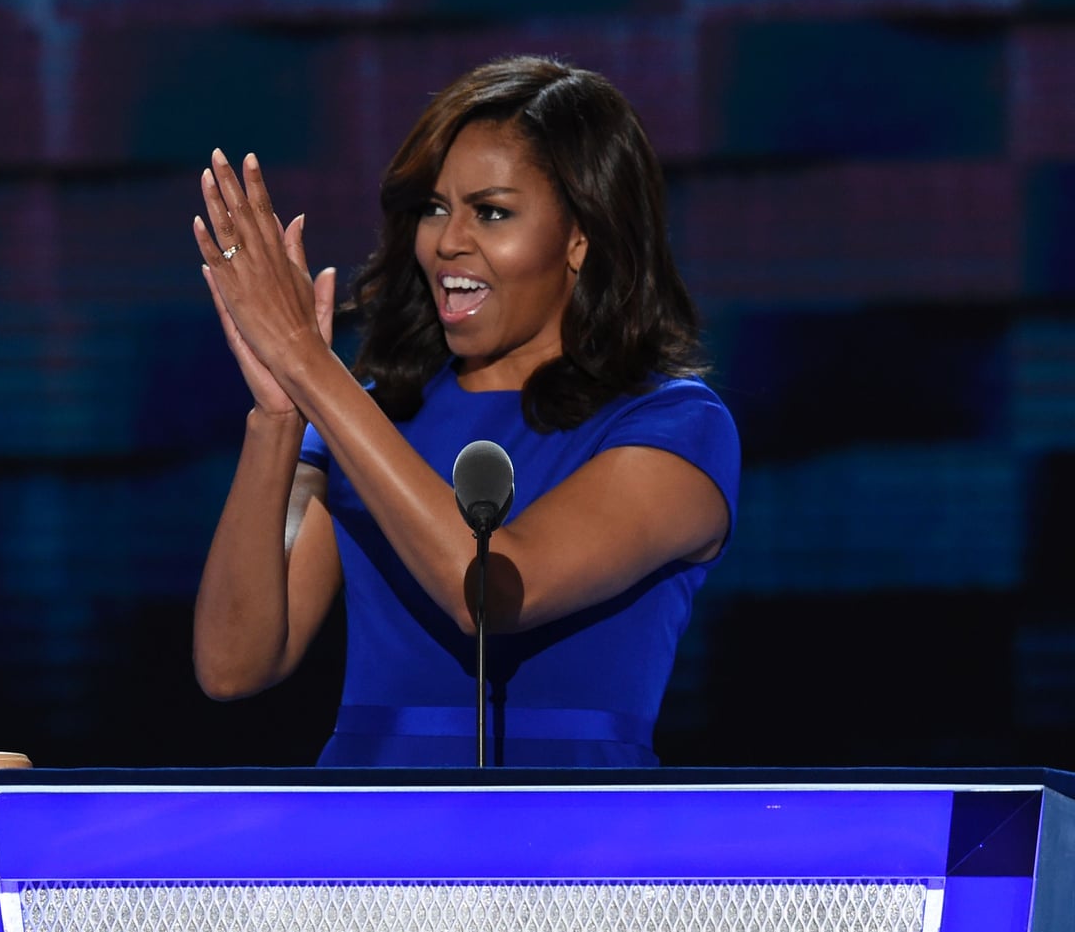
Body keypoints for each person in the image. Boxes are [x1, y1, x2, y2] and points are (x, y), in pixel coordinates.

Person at [191, 57, 738, 766]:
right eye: (435, 207)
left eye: (492, 211)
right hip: (371, 847)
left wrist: (308, 363)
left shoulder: (676, 429)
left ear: (581, 237)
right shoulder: (364, 417)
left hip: (577, 851)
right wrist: (276, 416)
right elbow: (234, 666)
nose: (447, 241)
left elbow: (494, 593)